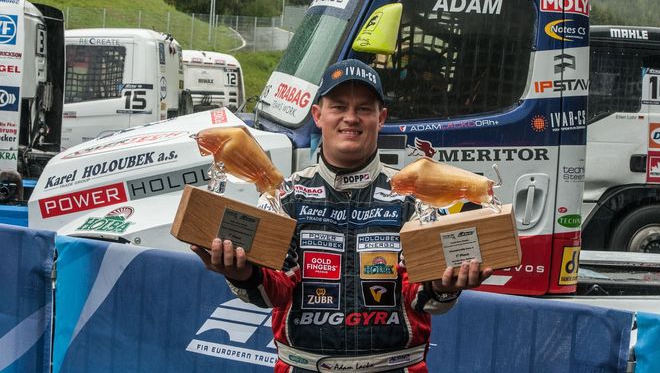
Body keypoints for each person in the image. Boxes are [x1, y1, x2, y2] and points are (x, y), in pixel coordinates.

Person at [192, 58, 493, 372]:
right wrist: (241, 274)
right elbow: (276, 289)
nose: (351, 118)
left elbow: (420, 295)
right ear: (318, 116)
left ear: (381, 118)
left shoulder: (411, 197)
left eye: (364, 108)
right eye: (338, 106)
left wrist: (444, 287)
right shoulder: (288, 196)